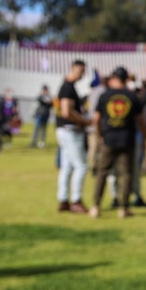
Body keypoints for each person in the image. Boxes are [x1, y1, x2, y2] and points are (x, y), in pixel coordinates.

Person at [90, 67, 144, 219]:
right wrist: (145, 138)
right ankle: (123, 208)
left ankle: (95, 206)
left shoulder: (105, 95)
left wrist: (100, 135)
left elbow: (96, 119)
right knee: (126, 173)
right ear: (126, 78)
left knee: (102, 172)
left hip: (109, 138)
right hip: (127, 138)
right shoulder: (132, 96)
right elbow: (141, 120)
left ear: (114, 77)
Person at [56, 59, 92, 214]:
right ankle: (76, 200)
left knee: (67, 167)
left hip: (65, 130)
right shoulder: (68, 87)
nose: (82, 74)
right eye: (81, 70)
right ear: (73, 68)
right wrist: (84, 121)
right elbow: (66, 111)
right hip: (70, 131)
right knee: (81, 166)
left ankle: (63, 199)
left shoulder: (68, 86)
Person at [30, 84, 53, 148]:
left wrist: (49, 101)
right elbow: (39, 100)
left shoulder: (49, 97)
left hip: (46, 114)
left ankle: (42, 142)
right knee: (37, 128)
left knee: (43, 129)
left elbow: (51, 104)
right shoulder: (41, 96)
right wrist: (46, 100)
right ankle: (34, 141)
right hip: (40, 114)